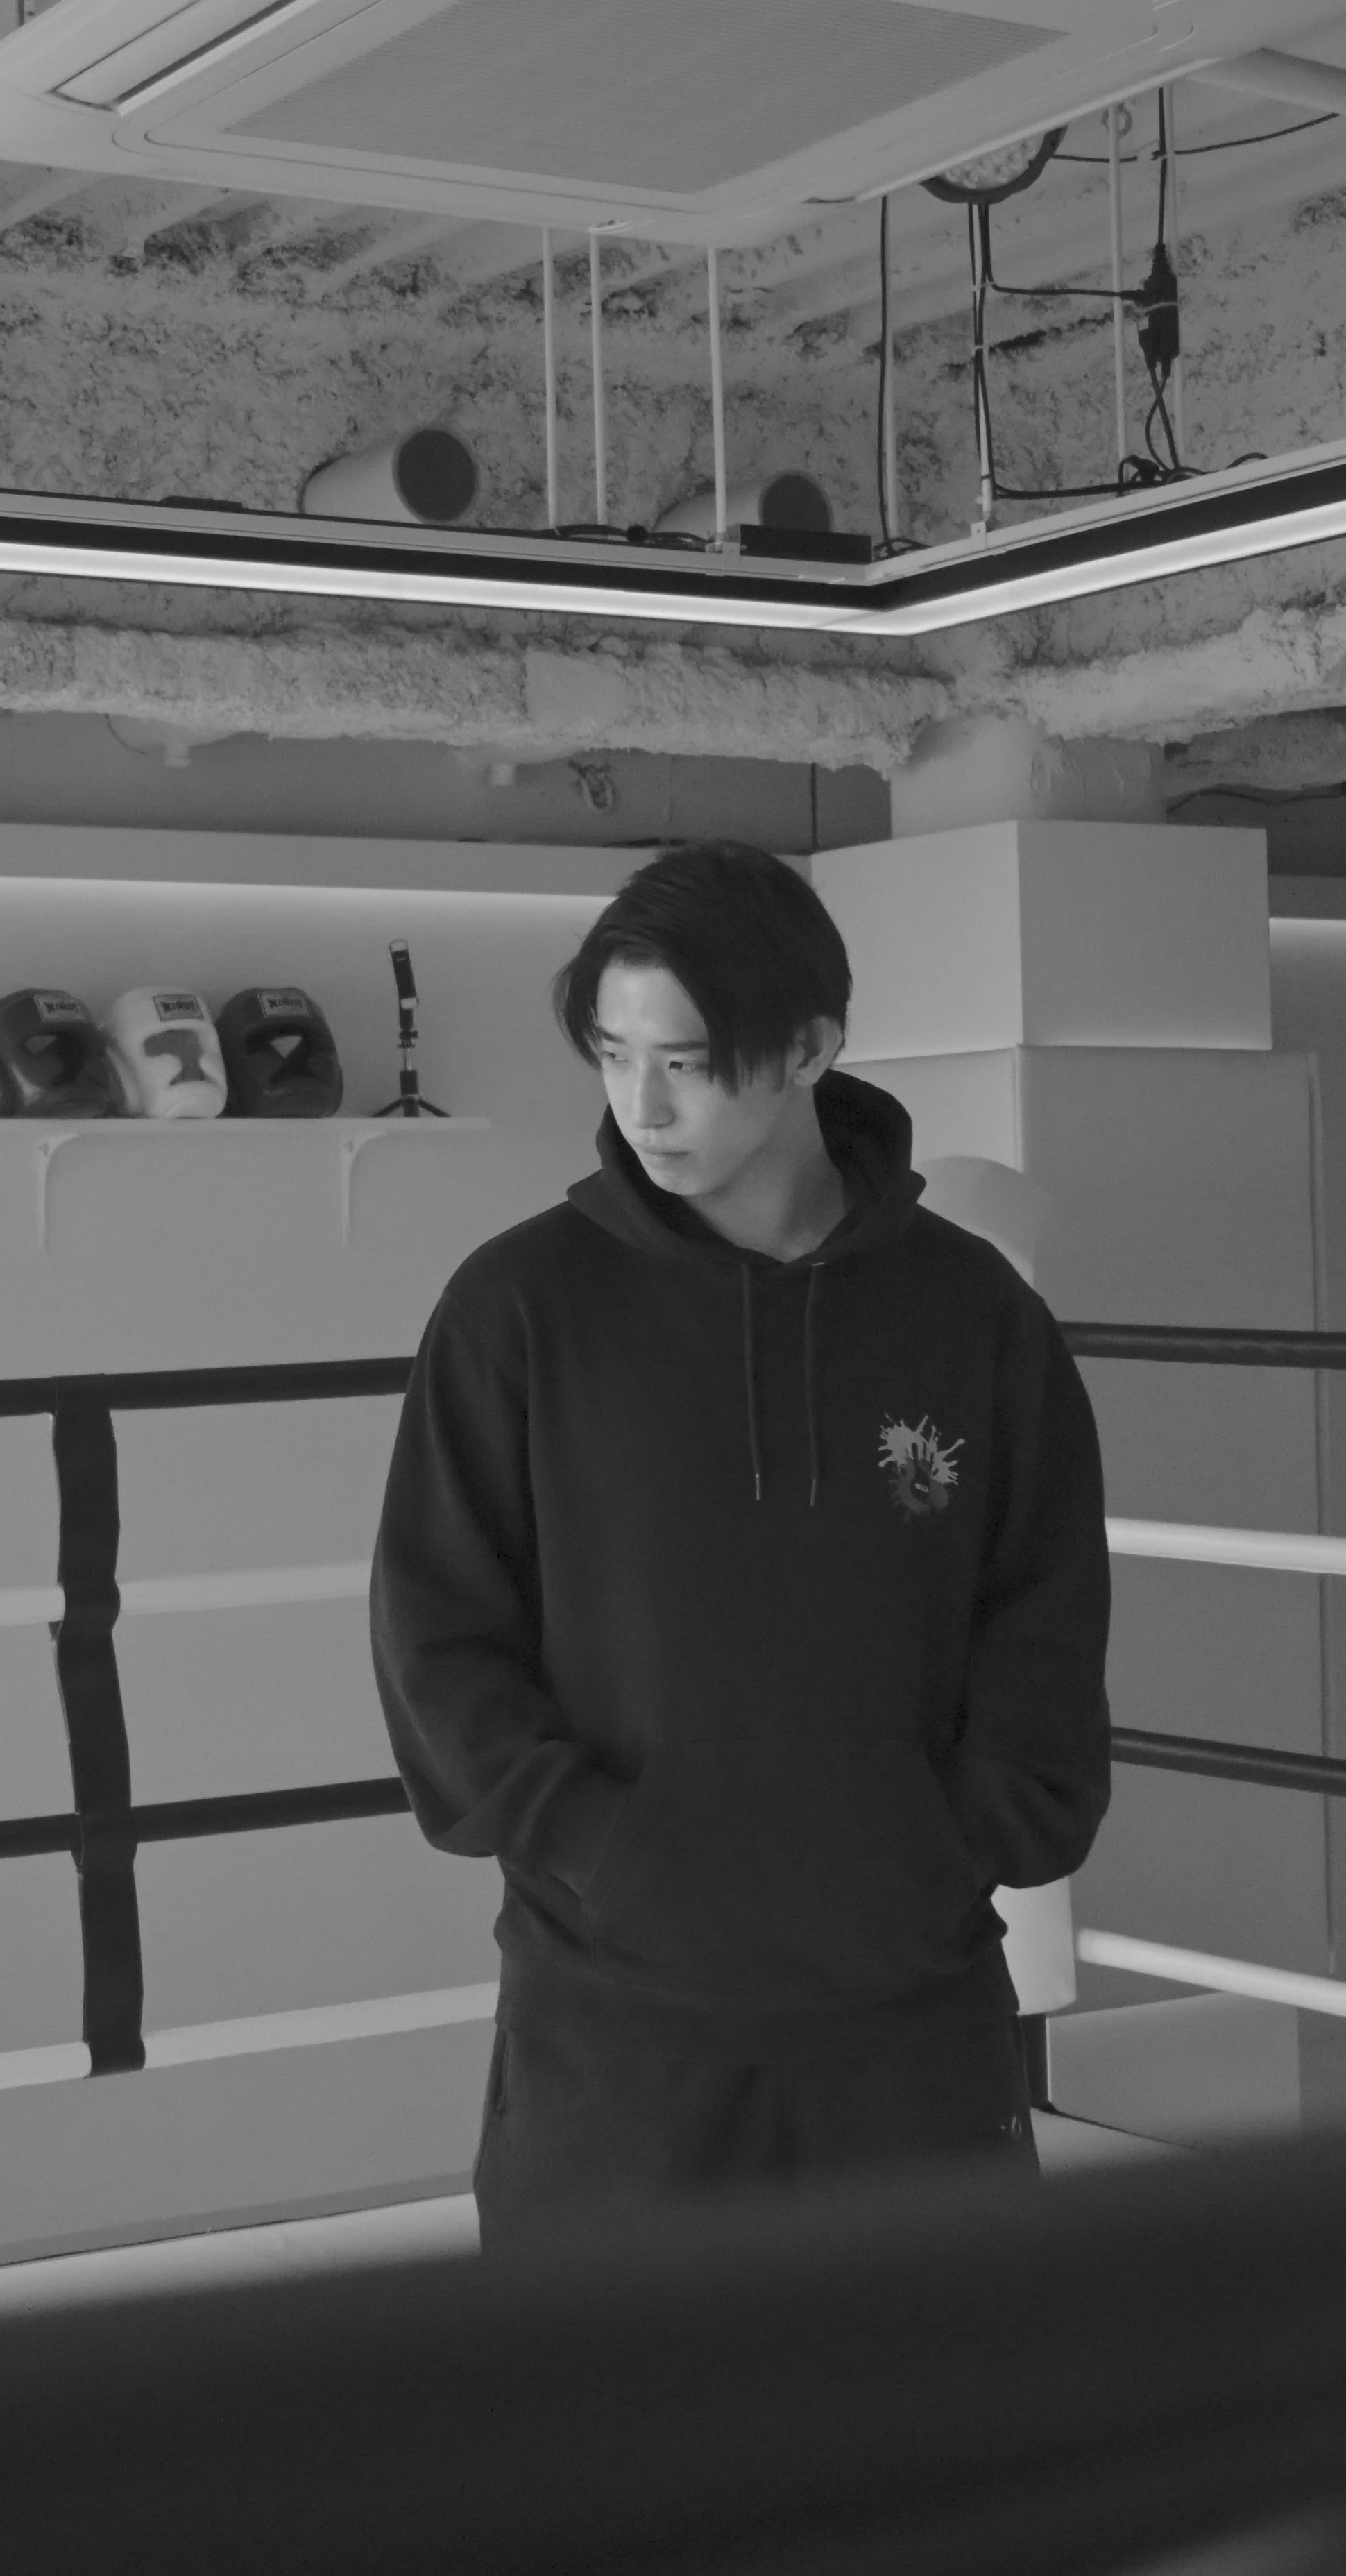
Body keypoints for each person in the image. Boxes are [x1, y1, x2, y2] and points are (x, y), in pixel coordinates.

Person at [369, 841, 1113, 2242]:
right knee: (618, 2391)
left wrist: (952, 1845)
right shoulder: (518, 1308)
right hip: (615, 2035)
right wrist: (604, 1848)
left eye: (690, 1063)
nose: (642, 1106)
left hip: (913, 2023)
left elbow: (1046, 1615)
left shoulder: (972, 1314)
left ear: (812, 1047)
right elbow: (438, 1639)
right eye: (614, 1055)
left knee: (946, 2383)